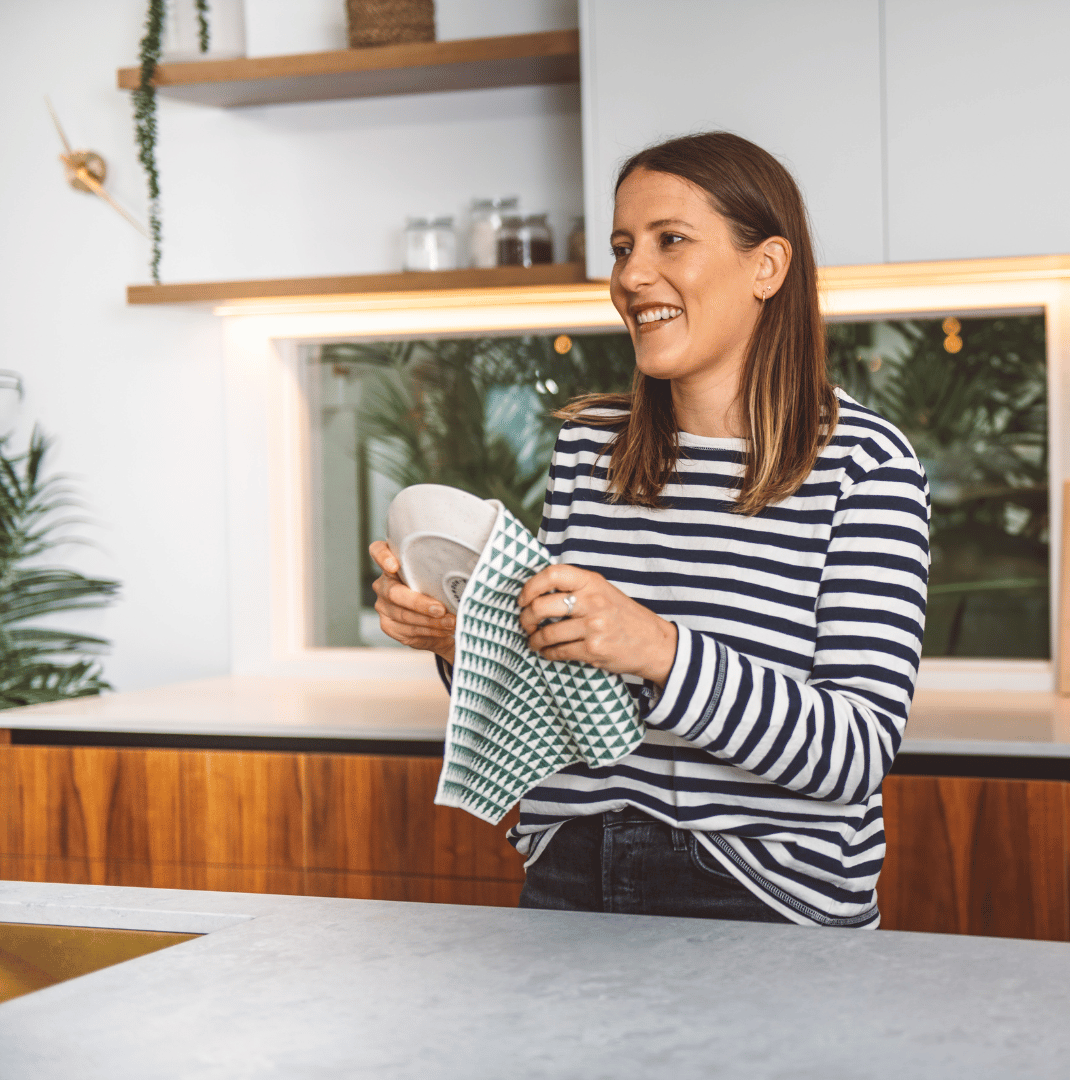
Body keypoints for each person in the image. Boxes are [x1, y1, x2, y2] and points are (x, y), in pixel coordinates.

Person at [369, 132, 929, 928]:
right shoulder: (590, 449)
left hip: (763, 892)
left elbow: (853, 754)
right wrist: (461, 644)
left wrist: (659, 649)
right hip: (570, 867)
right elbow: (569, 706)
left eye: (671, 241)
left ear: (766, 266)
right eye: (623, 247)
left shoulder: (862, 465)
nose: (631, 276)